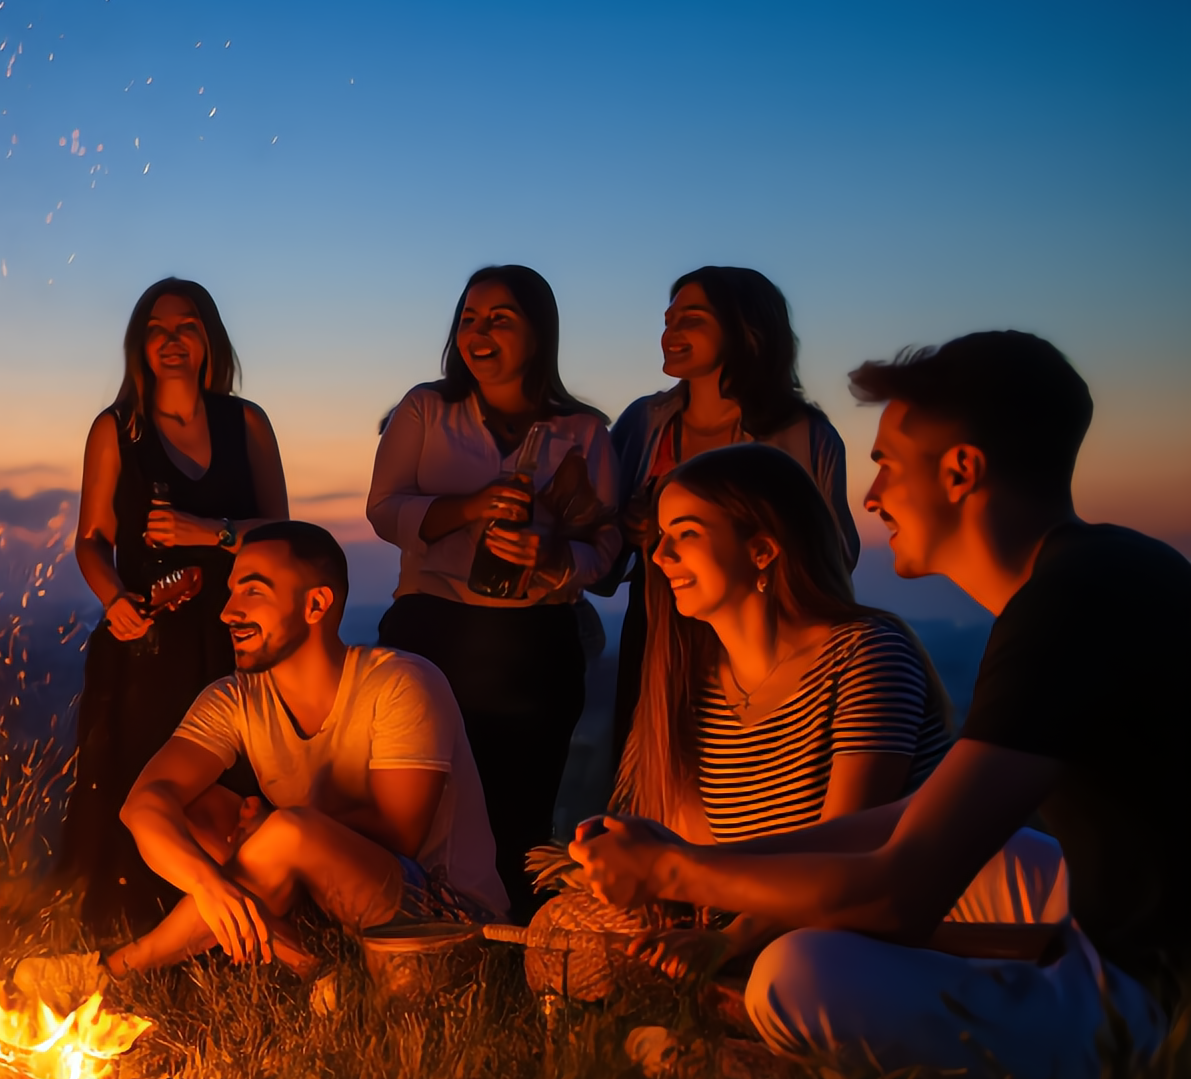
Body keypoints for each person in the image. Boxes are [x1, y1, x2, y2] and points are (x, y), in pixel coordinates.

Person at [571, 333, 1183, 1079]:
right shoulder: (1105, 569)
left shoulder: (1062, 608)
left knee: (800, 974)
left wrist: (674, 869)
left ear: (960, 471)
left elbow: (900, 892)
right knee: (1011, 853)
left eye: (888, 464)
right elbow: (914, 820)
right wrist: (695, 860)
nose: (870, 497)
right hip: (1127, 920)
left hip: (1153, 1003)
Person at [529, 443, 1036, 991]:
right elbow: (706, 867)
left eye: (687, 533)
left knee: (793, 970)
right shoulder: (689, 686)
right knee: (560, 935)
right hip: (765, 933)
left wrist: (728, 941)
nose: (660, 555)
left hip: (878, 930)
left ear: (763, 550)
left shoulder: (865, 655)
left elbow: (849, 851)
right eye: (661, 536)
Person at [87, 522, 505, 980]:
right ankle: (315, 967)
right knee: (192, 807)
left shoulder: (401, 683)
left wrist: (275, 833)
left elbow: (399, 835)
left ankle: (118, 969)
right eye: (231, 594)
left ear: (315, 604)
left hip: (442, 914)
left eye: (253, 593)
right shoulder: (235, 697)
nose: (228, 613)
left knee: (287, 832)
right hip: (321, 901)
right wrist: (207, 885)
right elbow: (144, 804)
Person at [367, 265, 622, 915]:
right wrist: (469, 506)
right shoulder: (427, 409)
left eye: (500, 319)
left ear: (539, 335)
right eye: (469, 319)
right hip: (432, 629)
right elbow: (385, 509)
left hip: (535, 644)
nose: (479, 333)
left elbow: (609, 545)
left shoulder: (585, 431)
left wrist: (554, 557)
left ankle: (513, 957)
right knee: (421, 799)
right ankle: (413, 938)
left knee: (520, 807)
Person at [62, 278, 291, 940]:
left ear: (208, 338)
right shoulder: (116, 430)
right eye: (157, 328)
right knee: (138, 780)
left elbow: (281, 535)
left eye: (186, 325)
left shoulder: (246, 423)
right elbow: (89, 540)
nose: (171, 339)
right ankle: (133, 926)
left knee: (235, 778)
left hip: (234, 640)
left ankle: (236, 927)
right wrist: (114, 601)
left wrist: (208, 531)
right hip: (145, 645)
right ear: (140, 343)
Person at [604, 267, 860, 767]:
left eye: (691, 319)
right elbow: (602, 555)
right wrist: (628, 529)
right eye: (668, 319)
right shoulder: (643, 423)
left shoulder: (803, 435)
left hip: (765, 637)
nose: (671, 333)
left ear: (747, 331)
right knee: (650, 772)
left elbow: (835, 558)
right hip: (658, 629)